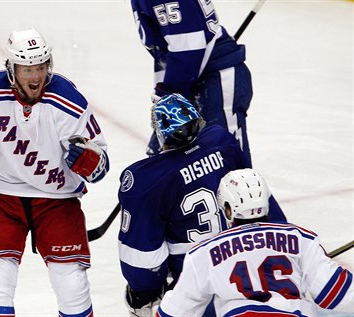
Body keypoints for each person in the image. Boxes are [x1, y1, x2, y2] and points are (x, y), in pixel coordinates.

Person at [0, 28, 110, 317]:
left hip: (56, 200)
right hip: (0, 197)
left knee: (71, 283)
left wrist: (89, 161)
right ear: (12, 68)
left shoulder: (68, 100)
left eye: (41, 67)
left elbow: (101, 165)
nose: (35, 77)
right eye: (27, 68)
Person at [117, 94, 286, 316]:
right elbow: (259, 201)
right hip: (249, 267)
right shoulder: (221, 141)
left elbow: (143, 259)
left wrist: (144, 290)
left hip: (196, 286)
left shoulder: (146, 180)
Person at [157, 168, 354, 317]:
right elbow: (339, 295)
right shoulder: (301, 239)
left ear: (228, 208)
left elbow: (175, 313)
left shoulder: (203, 253)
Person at [130, 0, 253, 165]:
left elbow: (188, 49)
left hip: (215, 84)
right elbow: (166, 51)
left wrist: (169, 99)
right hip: (192, 81)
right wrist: (163, 95)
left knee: (228, 166)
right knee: (168, 166)